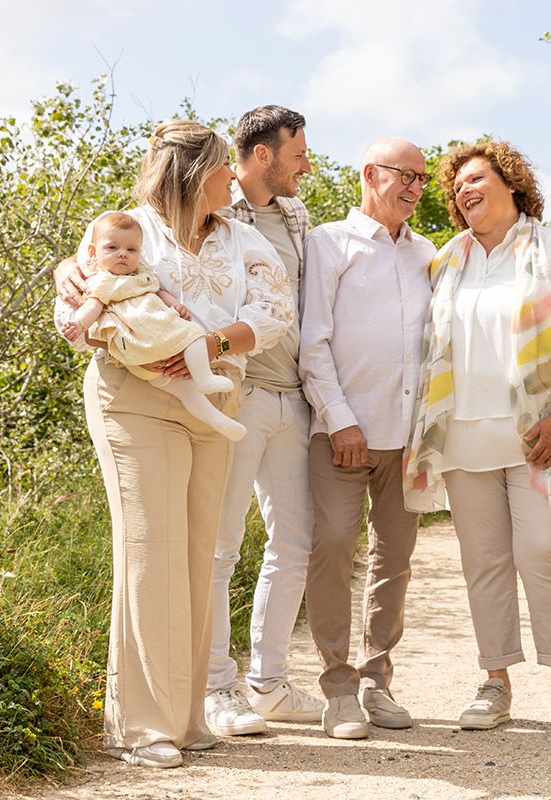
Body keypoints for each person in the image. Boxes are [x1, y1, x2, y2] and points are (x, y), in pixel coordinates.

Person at [54, 120, 292, 768]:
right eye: (222, 170)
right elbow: (74, 304)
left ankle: (184, 720)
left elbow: (276, 315)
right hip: (135, 401)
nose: (232, 180)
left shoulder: (243, 238)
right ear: (194, 176)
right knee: (151, 553)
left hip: (214, 402)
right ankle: (140, 727)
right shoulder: (127, 228)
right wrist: (71, 284)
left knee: (192, 556)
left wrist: (209, 345)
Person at [404, 140, 551, 737]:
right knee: (485, 563)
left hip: (538, 436)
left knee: (543, 553)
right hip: (464, 438)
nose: (464, 191)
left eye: (475, 178)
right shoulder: (448, 260)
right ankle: (494, 683)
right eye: (456, 187)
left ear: (512, 182)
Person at [298, 137, 436, 740]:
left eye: (422, 179)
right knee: (331, 546)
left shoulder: (428, 253)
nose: (413, 187)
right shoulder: (329, 243)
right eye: (403, 174)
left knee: (395, 560)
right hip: (342, 432)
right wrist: (339, 416)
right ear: (368, 175)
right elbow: (313, 340)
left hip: (407, 438)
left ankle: (378, 679)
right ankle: (337, 686)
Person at [203, 105, 326, 735]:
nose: (307, 163)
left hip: (293, 400)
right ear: (262, 156)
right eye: (298, 152)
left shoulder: (299, 218)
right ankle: (214, 689)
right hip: (239, 397)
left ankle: (269, 683)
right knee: (222, 546)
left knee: (294, 544)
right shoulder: (215, 216)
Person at [59, 212, 244, 440]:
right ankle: (204, 378)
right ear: (93, 252)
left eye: (131, 250)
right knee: (192, 343)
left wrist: (175, 305)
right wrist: (78, 323)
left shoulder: (142, 274)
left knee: (191, 366)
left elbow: (158, 292)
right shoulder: (102, 281)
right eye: (112, 248)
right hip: (141, 345)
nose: (122, 254)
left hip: (158, 342)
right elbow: (92, 307)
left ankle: (216, 418)